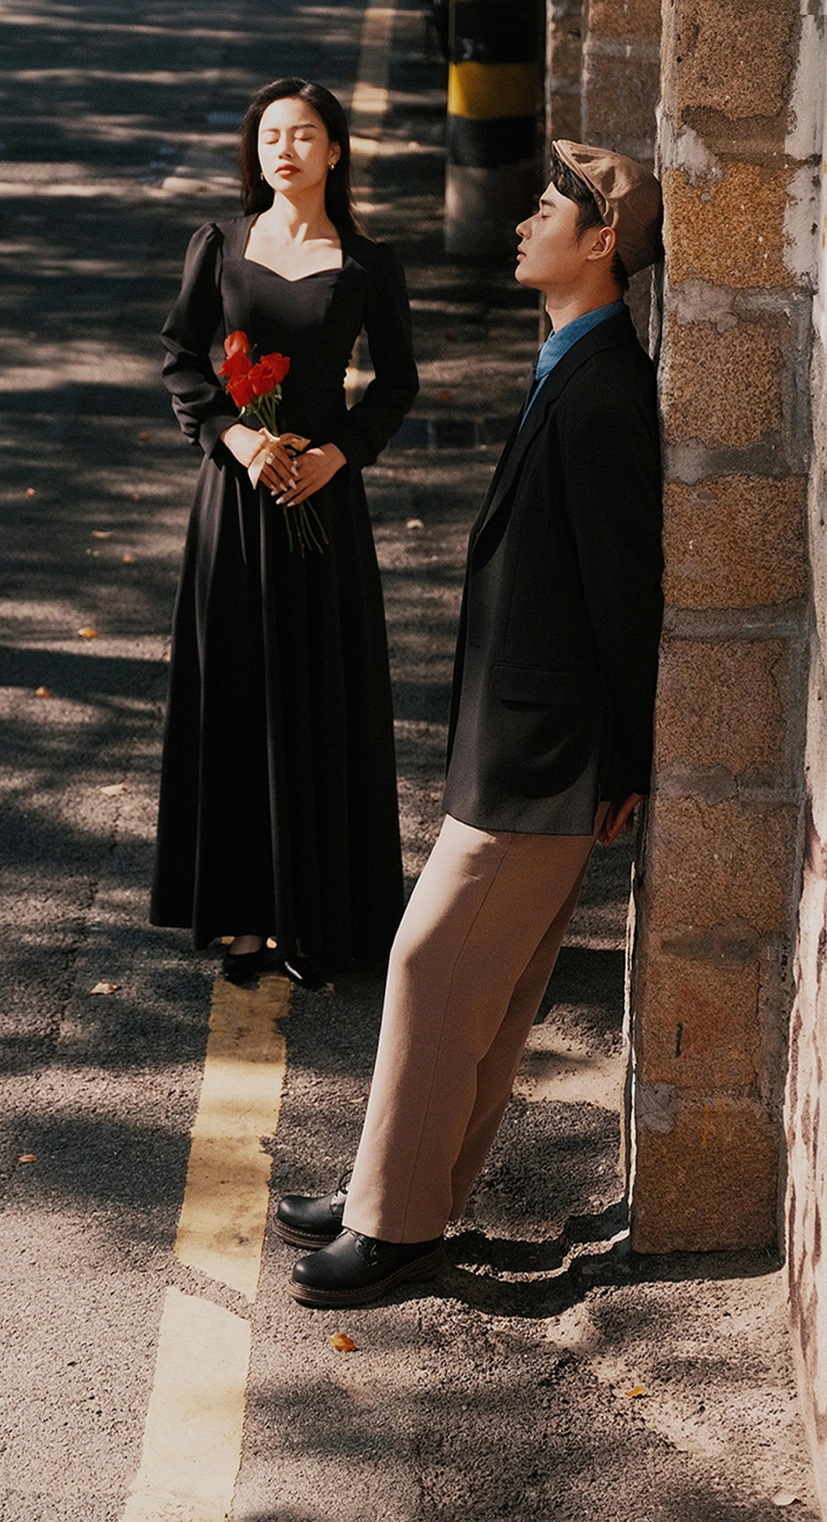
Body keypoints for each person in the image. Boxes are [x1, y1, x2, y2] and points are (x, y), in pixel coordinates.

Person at [274, 140, 665, 1307]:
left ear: (600, 242)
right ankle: (404, 1194)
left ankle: (394, 1228)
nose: (522, 223)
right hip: (520, 736)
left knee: (432, 962)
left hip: (545, 754)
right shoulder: (569, 359)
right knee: (480, 989)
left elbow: (624, 598)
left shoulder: (602, 390)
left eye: (544, 210)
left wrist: (624, 760)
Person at [150, 78, 418, 989]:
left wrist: (338, 456)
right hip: (235, 503)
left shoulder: (369, 263)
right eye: (270, 137)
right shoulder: (220, 246)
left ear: (335, 151)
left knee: (322, 694)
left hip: (324, 504)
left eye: (304, 135)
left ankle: (322, 920)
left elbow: (397, 384)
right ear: (255, 153)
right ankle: (243, 920)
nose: (285, 151)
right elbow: (183, 360)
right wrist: (236, 438)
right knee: (237, 693)